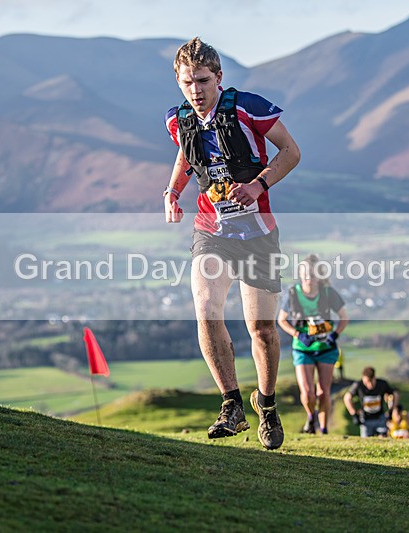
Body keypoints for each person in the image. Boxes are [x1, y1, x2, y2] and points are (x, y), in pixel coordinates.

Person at [163, 38, 301, 450]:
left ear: (219, 78)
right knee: (206, 312)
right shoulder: (179, 120)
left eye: (203, 81)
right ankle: (231, 405)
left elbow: (291, 152)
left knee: (260, 328)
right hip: (211, 231)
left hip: (257, 232)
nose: (196, 90)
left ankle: (268, 405)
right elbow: (187, 156)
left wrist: (258, 185)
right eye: (187, 82)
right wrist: (172, 191)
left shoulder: (248, 108)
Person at [277, 254, 349, 434]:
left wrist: (334, 335)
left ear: (318, 275)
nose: (309, 276)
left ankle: (323, 429)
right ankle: (311, 416)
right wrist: (297, 335)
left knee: (324, 392)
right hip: (303, 349)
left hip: (326, 348)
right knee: (308, 392)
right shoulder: (293, 294)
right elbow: (282, 320)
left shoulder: (328, 293)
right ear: (300, 274)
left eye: (312, 273)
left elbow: (344, 318)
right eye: (305, 273)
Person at [343, 366, 398, 438]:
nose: (370, 385)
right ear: (363, 379)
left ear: (374, 377)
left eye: (371, 381)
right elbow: (347, 398)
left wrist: (392, 410)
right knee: (366, 441)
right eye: (366, 382)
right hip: (365, 420)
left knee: (384, 439)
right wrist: (353, 414)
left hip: (380, 419)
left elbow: (395, 394)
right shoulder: (358, 385)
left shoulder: (382, 384)